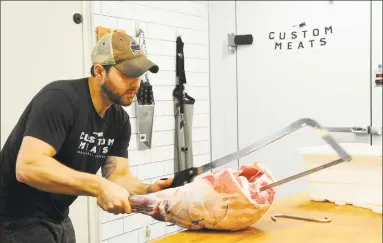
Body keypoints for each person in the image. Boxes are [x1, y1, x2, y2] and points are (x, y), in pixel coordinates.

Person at [0, 31, 173, 243]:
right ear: (99, 71)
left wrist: (148, 190)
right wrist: (99, 186)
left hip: (58, 216)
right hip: (13, 217)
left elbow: (117, 176)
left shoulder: (119, 120)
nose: (136, 84)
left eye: (139, 74)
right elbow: (28, 167)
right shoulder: (60, 99)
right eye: (127, 74)